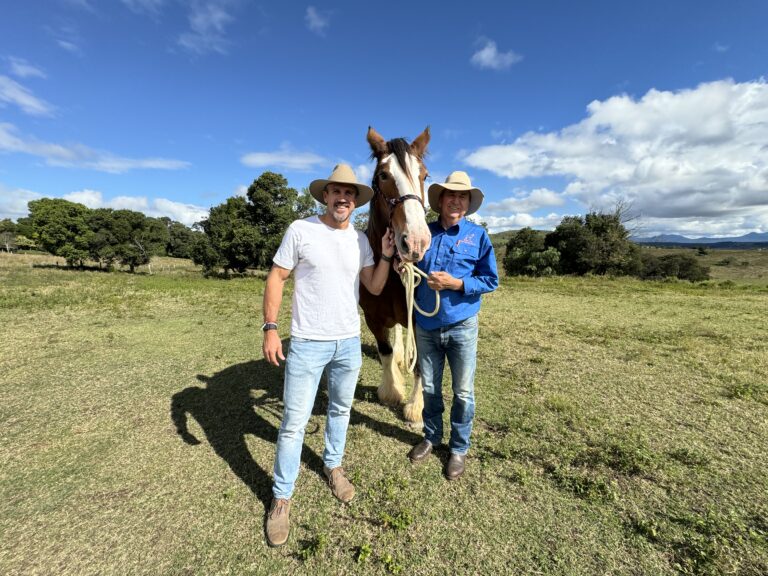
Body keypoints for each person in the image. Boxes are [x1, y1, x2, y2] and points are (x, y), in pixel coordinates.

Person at [261, 164, 395, 547]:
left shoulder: (360, 241)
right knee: (293, 422)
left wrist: (385, 256)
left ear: (356, 201)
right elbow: (276, 276)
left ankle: (333, 467)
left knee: (340, 410)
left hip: (349, 343)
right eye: (337, 191)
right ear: (325, 196)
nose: (343, 198)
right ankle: (282, 497)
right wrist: (270, 328)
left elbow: (372, 284)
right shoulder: (301, 230)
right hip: (306, 343)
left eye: (350, 193)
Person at [406, 171, 499, 480]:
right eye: (450, 195)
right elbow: (408, 265)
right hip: (426, 324)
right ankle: (432, 437)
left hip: (461, 325)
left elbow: (490, 280)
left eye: (462, 196)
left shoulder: (478, 236)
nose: (456, 200)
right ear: (441, 201)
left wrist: (458, 283)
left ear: (468, 203)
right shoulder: (423, 232)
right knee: (430, 387)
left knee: (463, 392)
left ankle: (459, 447)